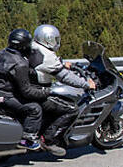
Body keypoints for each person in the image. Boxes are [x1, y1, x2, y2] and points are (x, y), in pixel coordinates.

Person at [28, 24, 97, 156]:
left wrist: (61, 63)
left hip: (28, 89)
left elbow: (43, 65)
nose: (56, 42)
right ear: (47, 39)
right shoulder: (47, 56)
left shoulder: (33, 47)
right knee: (72, 109)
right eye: (55, 39)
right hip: (38, 92)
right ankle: (48, 140)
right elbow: (65, 77)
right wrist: (86, 84)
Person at [0, 28, 50, 151]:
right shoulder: (20, 63)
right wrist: (46, 92)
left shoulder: (1, 53)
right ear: (24, 45)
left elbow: (9, 73)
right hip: (2, 95)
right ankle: (28, 139)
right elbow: (27, 91)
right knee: (34, 109)